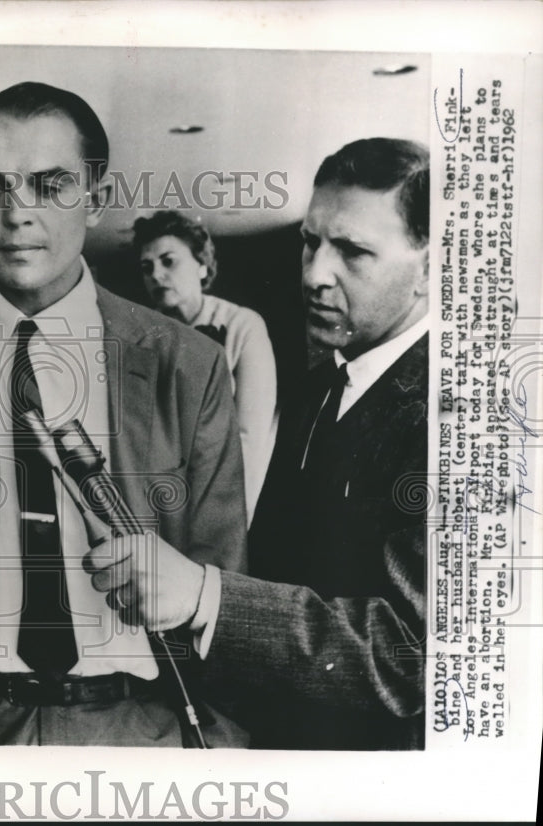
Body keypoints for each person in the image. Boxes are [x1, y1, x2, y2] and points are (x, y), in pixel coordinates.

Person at [0, 81, 247, 747]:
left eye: (50, 185)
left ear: (97, 200)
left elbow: (224, 579)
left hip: (143, 728)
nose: (18, 214)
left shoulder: (186, 364)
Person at [86, 138, 429, 750]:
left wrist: (202, 595)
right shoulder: (323, 385)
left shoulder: (459, 416)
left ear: (434, 267)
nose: (315, 274)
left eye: (351, 251)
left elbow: (411, 657)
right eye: (310, 242)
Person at [133, 211, 277, 520]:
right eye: (147, 267)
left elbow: (250, 436)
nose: (156, 275)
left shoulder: (243, 325)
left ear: (201, 265)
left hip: (225, 503)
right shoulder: (142, 338)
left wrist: (227, 519)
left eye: (168, 261)